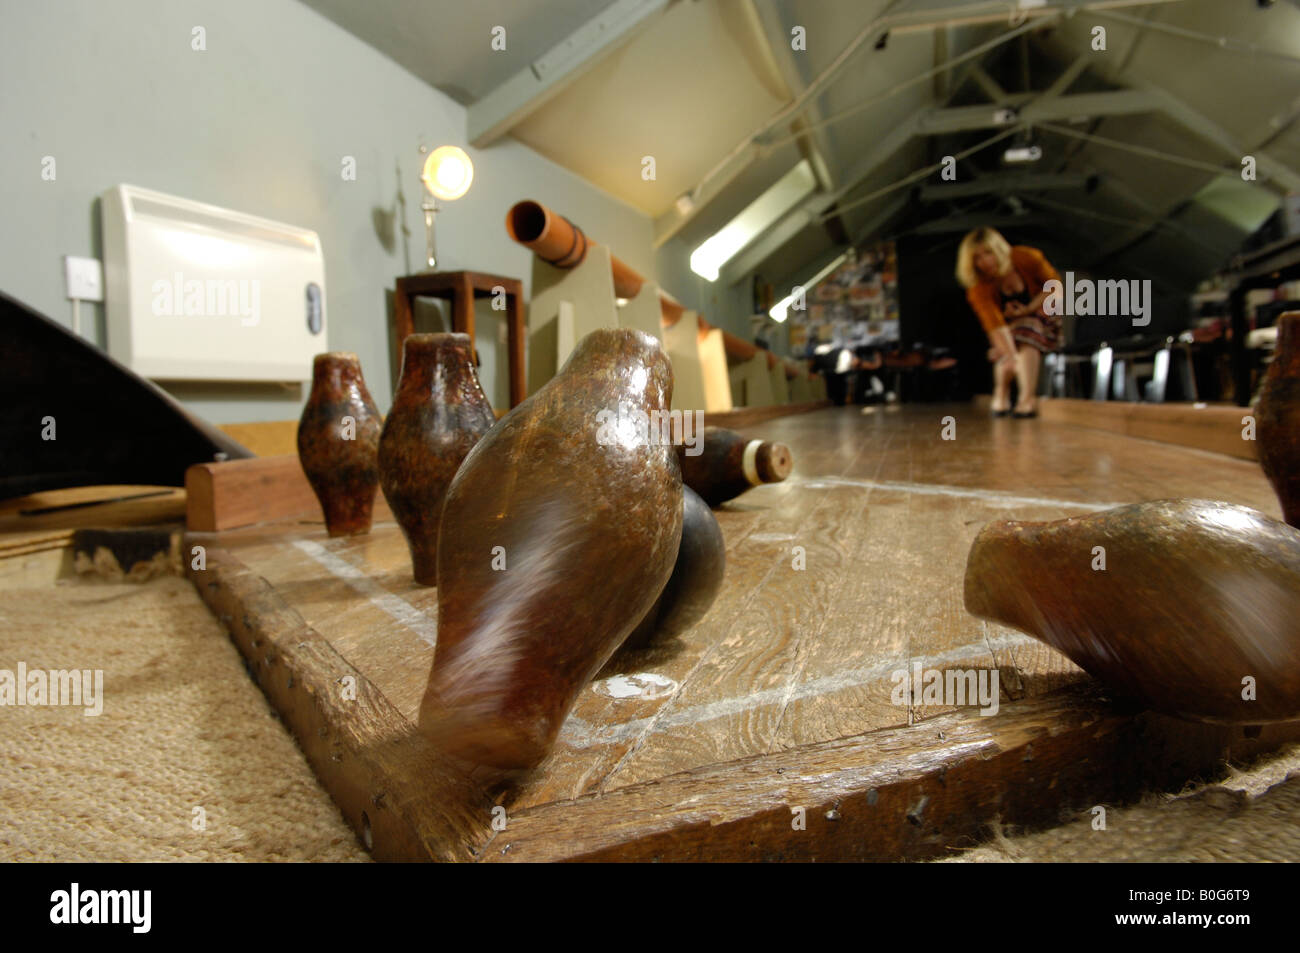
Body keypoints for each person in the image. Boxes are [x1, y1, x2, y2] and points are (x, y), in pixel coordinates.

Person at [955, 227, 1062, 417]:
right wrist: (1008, 353)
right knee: (1008, 349)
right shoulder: (978, 288)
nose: (985, 262)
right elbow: (995, 325)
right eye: (977, 258)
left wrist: (1028, 310)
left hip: (1044, 316)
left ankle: (1024, 398)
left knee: (1028, 329)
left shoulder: (1027, 258)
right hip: (1009, 329)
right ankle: (1002, 392)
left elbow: (1056, 287)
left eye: (988, 253)